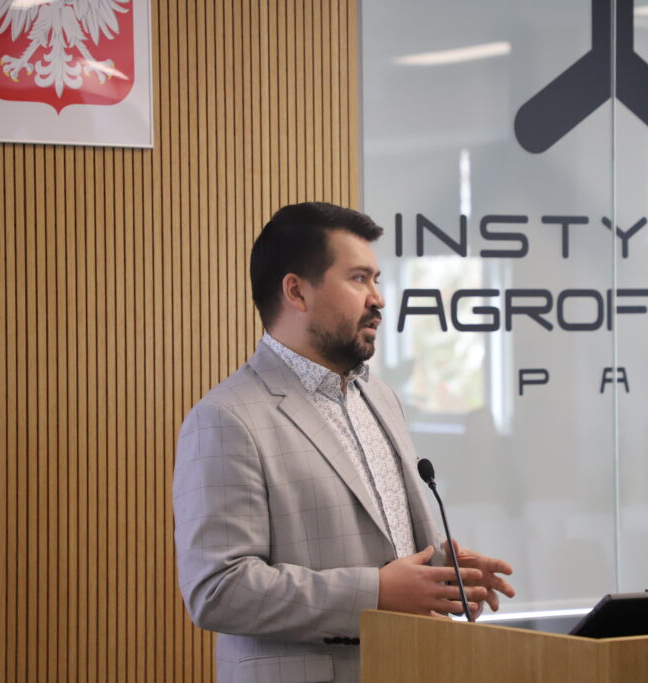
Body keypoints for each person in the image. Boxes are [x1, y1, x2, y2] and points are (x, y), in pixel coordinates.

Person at [173, 202, 515, 683]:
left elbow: (375, 547)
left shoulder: (381, 398)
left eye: (376, 279)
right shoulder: (227, 418)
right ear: (297, 291)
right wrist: (375, 593)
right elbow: (217, 590)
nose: (378, 298)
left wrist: (440, 570)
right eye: (359, 279)